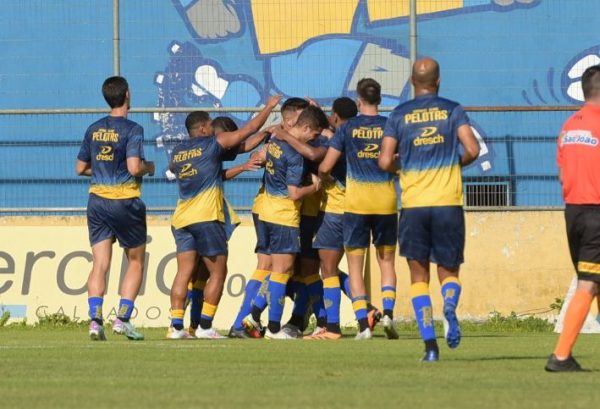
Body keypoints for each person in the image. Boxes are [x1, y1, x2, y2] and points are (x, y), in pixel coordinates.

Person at [379, 57, 480, 361]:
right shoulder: (452, 109)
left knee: (418, 276)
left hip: (414, 206)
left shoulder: (398, 114)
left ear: (412, 81)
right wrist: (452, 163)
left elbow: (384, 161)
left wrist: (403, 166)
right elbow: (472, 149)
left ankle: (430, 347)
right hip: (448, 203)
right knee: (448, 270)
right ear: (438, 81)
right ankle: (449, 305)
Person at [167, 96, 281, 339]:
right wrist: (269, 107)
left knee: (183, 273)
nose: (213, 127)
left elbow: (213, 172)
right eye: (210, 124)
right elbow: (247, 130)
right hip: (207, 218)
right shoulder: (212, 144)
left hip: (181, 219)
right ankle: (206, 327)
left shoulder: (177, 153)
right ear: (202, 128)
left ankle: (176, 327)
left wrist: (243, 163)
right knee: (218, 272)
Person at [76, 76, 155, 341]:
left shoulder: (94, 129)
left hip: (97, 200)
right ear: (128, 95)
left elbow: (80, 168)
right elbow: (134, 167)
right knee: (135, 261)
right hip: (125, 201)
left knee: (100, 263)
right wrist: (149, 167)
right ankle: (122, 319)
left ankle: (95, 322)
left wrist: (101, 171)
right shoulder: (133, 129)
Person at [319, 79, 399, 340]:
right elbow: (398, 160)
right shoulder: (391, 125)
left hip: (356, 204)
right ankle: (387, 313)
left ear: (358, 100)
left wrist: (326, 176)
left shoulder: (348, 128)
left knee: (355, 266)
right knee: (386, 261)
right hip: (386, 202)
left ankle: (363, 326)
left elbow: (325, 166)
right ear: (379, 99)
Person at [243, 105, 329, 339]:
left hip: (267, 213)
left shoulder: (277, 143)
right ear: (306, 127)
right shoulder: (296, 155)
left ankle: (254, 314)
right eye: (314, 134)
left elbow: (261, 156)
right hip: (285, 216)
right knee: (283, 271)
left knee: (281, 270)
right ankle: (273, 328)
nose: (316, 138)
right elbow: (294, 193)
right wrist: (315, 186)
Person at [229, 98, 311, 338]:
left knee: (271, 267)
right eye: (300, 119)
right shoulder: (286, 141)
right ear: (289, 121)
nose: (304, 124)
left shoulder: (277, 136)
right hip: (278, 210)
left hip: (264, 208)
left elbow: (260, 154)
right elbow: (259, 155)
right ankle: (258, 321)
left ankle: (243, 322)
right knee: (279, 268)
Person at [545, 65, 600, 372]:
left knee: (596, 281)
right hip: (596, 212)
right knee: (590, 283)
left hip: (574, 211)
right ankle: (561, 356)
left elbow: (561, 173)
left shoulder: (569, 126)